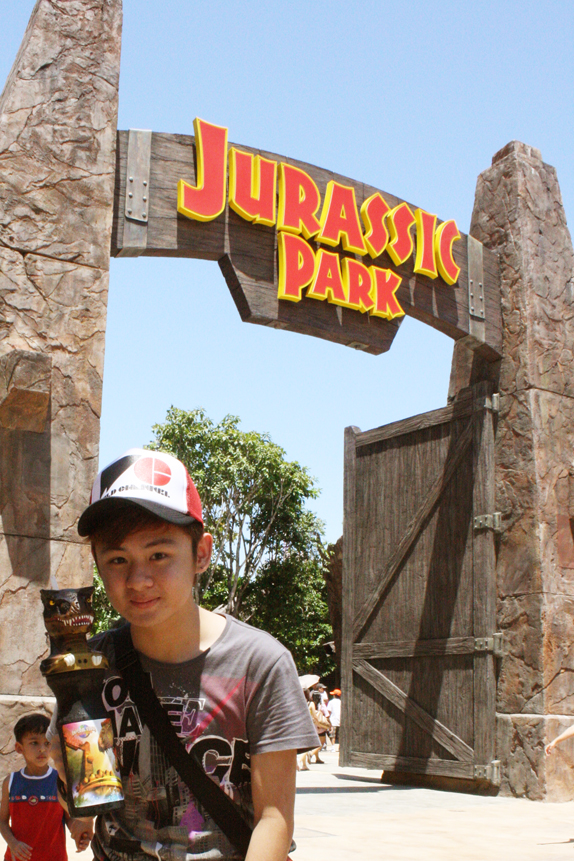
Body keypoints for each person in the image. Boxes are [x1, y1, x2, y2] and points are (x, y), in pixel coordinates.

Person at [51, 448, 319, 861]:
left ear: (201, 554)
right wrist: (68, 773)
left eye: (159, 555)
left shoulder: (260, 663)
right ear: (98, 565)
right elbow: (85, 803)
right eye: (118, 559)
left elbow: (275, 817)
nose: (138, 579)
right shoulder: (91, 663)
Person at [0, 714, 90, 861]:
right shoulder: (10, 782)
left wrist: (78, 832)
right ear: (19, 748)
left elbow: (69, 819)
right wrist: (13, 844)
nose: (42, 749)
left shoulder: (61, 781)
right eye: (34, 743)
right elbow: (2, 821)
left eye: (47, 743)